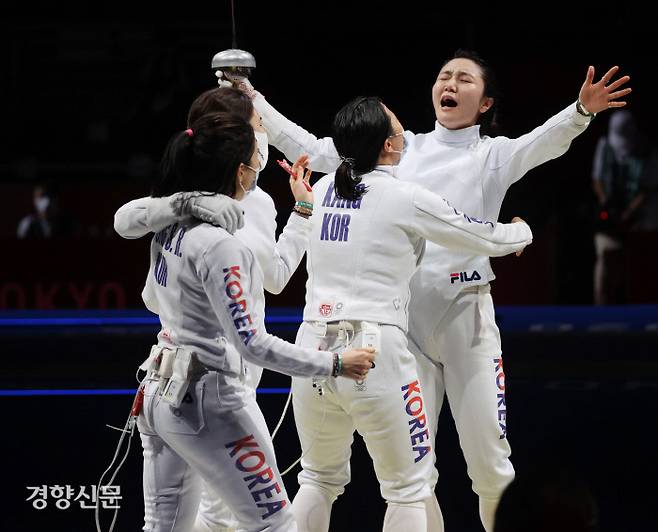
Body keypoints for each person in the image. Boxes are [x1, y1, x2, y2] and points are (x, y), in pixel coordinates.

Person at [225, 50, 631, 531]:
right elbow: (308, 147)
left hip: (465, 319)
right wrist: (253, 97)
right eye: (444, 76)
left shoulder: (491, 155)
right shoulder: (400, 149)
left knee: (490, 469)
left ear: (485, 103)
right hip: (402, 326)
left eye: (464, 79)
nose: (450, 83)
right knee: (416, 477)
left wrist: (580, 112)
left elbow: (540, 144)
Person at [284, 96, 532, 532]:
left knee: (317, 479)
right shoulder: (405, 196)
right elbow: (478, 236)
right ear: (386, 146)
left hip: (312, 353)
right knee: (408, 489)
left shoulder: (320, 191)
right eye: (397, 127)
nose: (405, 134)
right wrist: (522, 231)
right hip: (373, 352)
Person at [134, 111, 376, 532]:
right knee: (275, 525)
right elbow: (252, 344)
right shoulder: (221, 245)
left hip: (158, 389)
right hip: (211, 398)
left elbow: (151, 298)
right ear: (242, 170)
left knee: (165, 526)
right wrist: (336, 363)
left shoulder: (168, 224)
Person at [115, 87, 317, 532]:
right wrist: (334, 364)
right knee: (246, 519)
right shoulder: (182, 203)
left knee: (185, 519)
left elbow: (276, 277)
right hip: (217, 376)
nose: (265, 135)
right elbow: (125, 221)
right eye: (260, 126)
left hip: (187, 378)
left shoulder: (257, 204)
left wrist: (302, 211)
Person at [592, 110, 646, 304]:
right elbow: (597, 179)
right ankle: (601, 302)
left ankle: (629, 300)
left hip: (634, 214)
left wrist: (630, 211)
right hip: (610, 214)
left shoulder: (641, 150)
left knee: (630, 261)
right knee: (604, 257)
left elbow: (645, 187)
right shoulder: (605, 145)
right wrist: (607, 205)